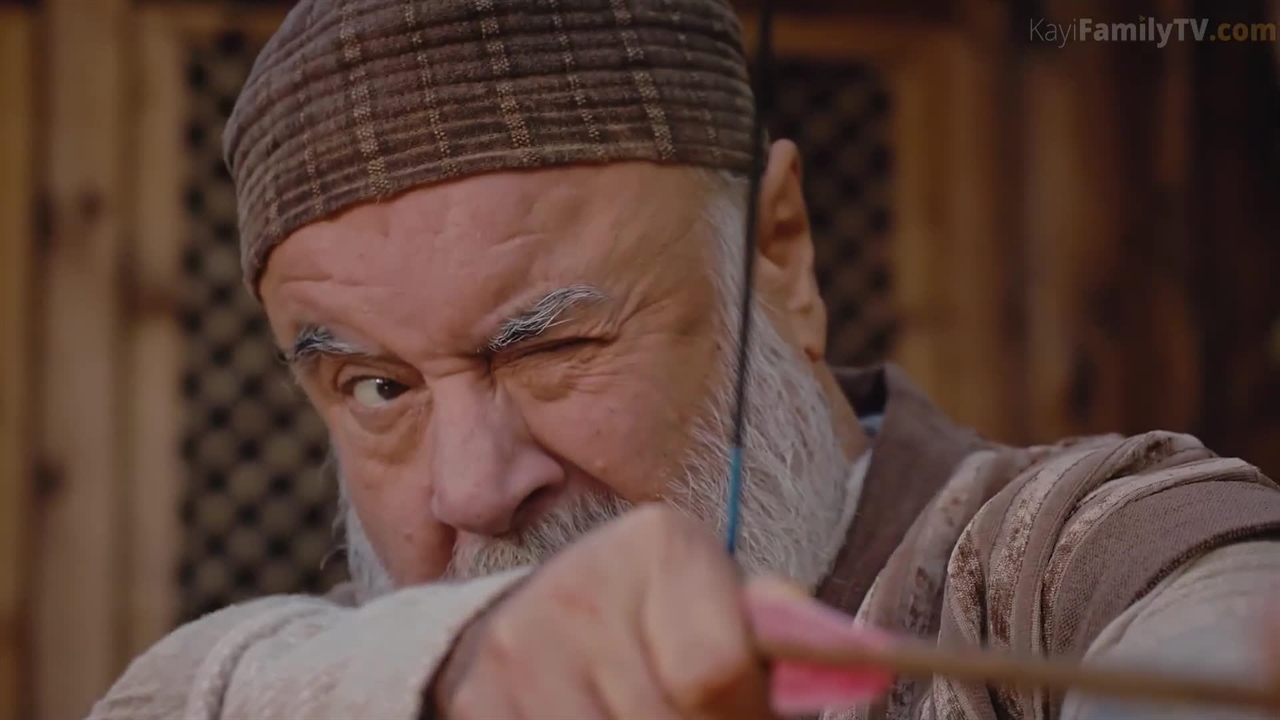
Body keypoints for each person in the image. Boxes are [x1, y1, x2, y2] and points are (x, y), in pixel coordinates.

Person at [89, 1, 1280, 719]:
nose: (469, 489)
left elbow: (1216, 618)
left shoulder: (1049, 565)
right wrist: (445, 674)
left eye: (553, 345)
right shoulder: (370, 667)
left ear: (779, 254)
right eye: (378, 387)